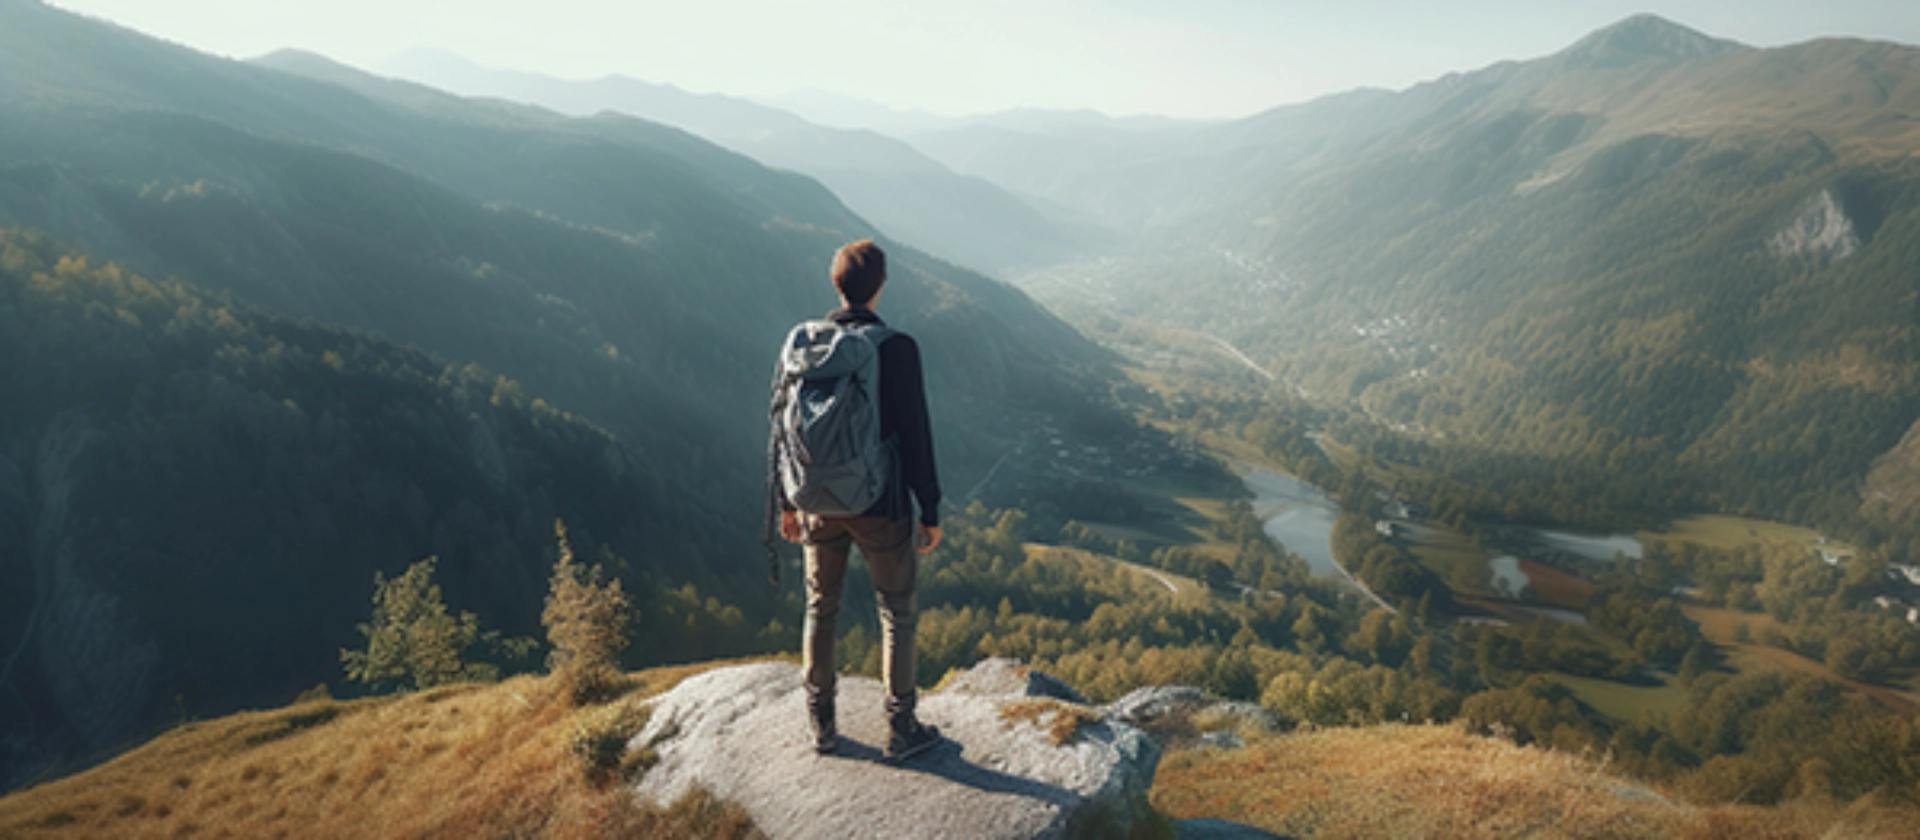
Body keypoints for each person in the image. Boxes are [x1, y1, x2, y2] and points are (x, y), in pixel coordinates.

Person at [775, 239, 944, 760]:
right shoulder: (896, 347)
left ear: (836, 283)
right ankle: (901, 728)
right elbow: (915, 434)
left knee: (820, 607)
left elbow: (780, 429)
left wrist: (786, 502)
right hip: (880, 503)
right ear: (881, 285)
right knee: (896, 612)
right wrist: (930, 508)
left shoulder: (803, 345)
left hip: (814, 501)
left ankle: (821, 724)